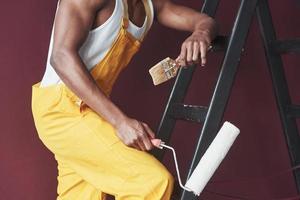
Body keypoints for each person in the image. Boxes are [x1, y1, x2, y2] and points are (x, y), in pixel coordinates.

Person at [31, 0, 218, 199]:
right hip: (62, 109)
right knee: (151, 184)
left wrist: (200, 34)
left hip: (92, 112)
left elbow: (205, 21)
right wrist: (119, 121)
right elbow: (61, 57)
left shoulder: (150, 5)